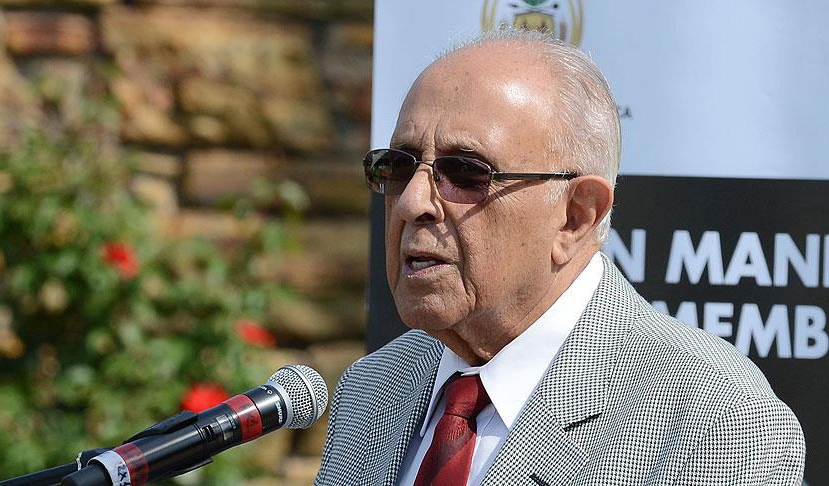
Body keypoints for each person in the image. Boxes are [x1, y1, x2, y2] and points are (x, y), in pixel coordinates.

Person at [315, 30, 805, 486]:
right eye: (398, 167)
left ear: (575, 216)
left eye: (464, 172)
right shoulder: (372, 389)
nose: (412, 202)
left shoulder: (715, 421)